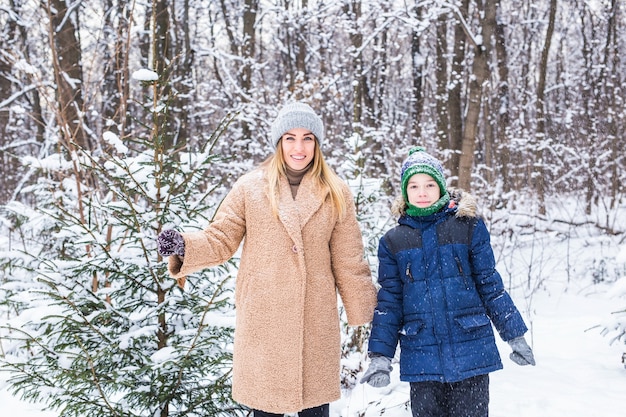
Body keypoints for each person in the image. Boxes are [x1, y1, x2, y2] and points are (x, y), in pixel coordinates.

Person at [157, 102, 377, 417]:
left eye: (307, 138)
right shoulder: (250, 188)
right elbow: (221, 239)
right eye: (290, 138)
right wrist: (184, 245)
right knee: (265, 409)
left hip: (313, 323)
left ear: (317, 143)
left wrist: (367, 315)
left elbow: (349, 259)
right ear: (278, 142)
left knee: (315, 408)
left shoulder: (335, 192)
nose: (299, 147)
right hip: (265, 321)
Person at [360, 147, 535, 417]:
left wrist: (515, 335)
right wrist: (380, 357)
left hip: (471, 350)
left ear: (441, 186)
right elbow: (389, 302)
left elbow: (490, 284)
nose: (422, 192)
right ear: (405, 192)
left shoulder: (468, 227)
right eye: (414, 186)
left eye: (429, 184)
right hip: (422, 355)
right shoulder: (393, 242)